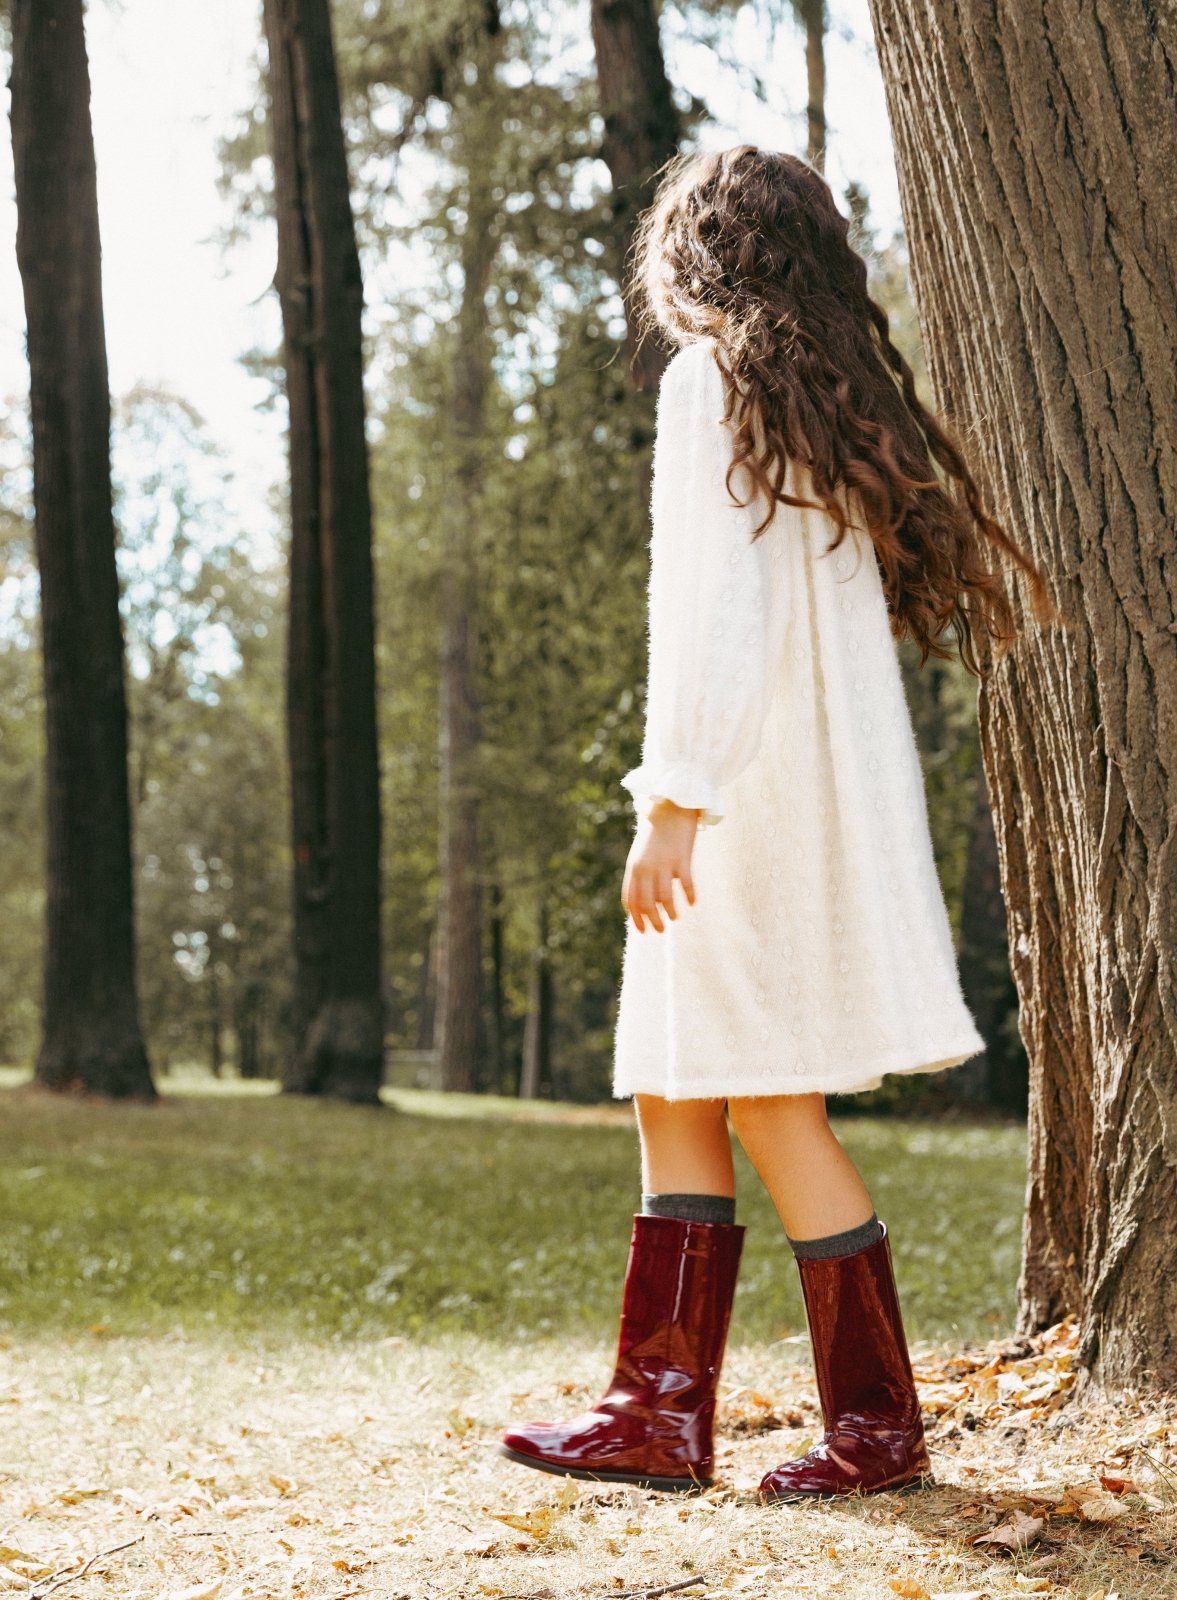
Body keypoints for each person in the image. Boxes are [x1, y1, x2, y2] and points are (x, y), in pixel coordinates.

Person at [499, 146, 1060, 1501]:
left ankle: (870, 1431)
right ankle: (658, 1410)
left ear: (690, 253)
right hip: (793, 800)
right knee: (683, 1081)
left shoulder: (713, 388)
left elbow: (720, 622)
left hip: (735, 804)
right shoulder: (804, 406)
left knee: (759, 1099)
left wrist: (674, 802)